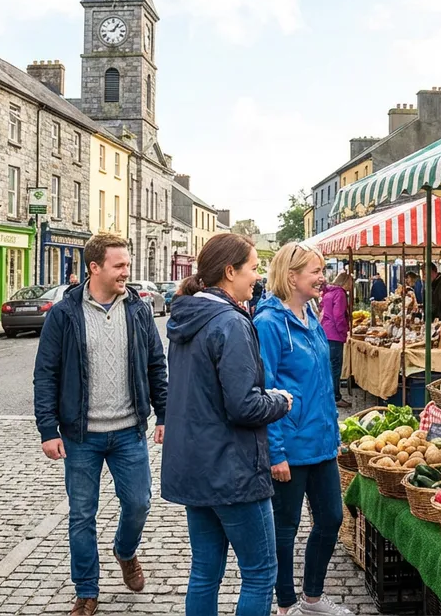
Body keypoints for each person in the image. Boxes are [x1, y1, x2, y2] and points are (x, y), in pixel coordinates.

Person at [33, 233, 169, 616]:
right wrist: (48, 430)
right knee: (81, 515)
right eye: (119, 265)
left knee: (139, 503)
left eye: (127, 264)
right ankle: (87, 591)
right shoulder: (64, 314)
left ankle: (125, 552)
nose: (127, 272)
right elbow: (46, 373)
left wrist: (165, 414)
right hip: (80, 436)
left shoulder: (139, 310)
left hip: (129, 431)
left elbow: (156, 365)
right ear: (95, 268)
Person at [162, 233, 293, 616]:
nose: (258, 277)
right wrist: (281, 401)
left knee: (205, 572)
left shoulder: (187, 316)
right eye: (253, 268)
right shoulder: (230, 323)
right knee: (260, 572)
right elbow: (244, 405)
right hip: (231, 470)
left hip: (195, 466)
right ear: (229, 271)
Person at [255, 243, 351, 616]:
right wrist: (275, 451)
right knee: (285, 529)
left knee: (331, 519)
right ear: (292, 276)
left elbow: (323, 385)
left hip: (321, 443)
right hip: (290, 447)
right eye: (315, 270)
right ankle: (285, 604)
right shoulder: (269, 323)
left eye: (323, 270)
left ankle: (312, 598)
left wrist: (334, 433)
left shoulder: (311, 315)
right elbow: (266, 390)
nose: (322, 277)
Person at [320, 272, 353, 410]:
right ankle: (336, 397)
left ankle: (328, 395)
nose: (351, 285)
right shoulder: (340, 293)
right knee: (335, 366)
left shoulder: (328, 292)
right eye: (351, 282)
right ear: (345, 282)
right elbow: (338, 315)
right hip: (334, 334)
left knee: (328, 365)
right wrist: (343, 332)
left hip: (325, 332)